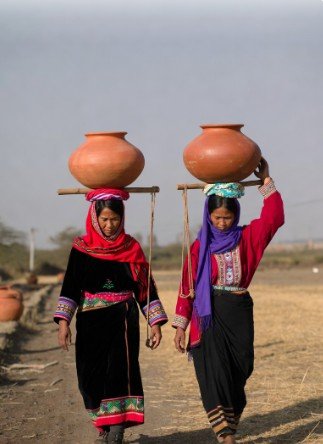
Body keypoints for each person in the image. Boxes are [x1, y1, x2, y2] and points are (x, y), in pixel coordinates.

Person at [173, 158, 284, 443]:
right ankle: (224, 433)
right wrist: (181, 325)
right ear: (208, 215)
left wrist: (266, 183)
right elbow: (187, 285)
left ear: (235, 213)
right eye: (217, 217)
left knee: (241, 367)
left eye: (227, 217)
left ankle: (230, 422)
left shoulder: (247, 237)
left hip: (238, 309)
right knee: (215, 370)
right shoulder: (200, 246)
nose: (222, 222)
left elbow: (273, 219)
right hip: (209, 314)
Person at [54, 188, 168, 443]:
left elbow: (144, 287)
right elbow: (70, 286)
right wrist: (64, 322)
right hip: (90, 321)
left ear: (122, 218)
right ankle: (103, 427)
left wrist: (155, 323)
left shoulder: (132, 248)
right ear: (95, 218)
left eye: (114, 219)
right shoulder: (81, 248)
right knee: (89, 376)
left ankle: (116, 429)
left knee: (120, 373)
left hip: (122, 320)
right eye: (104, 219)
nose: (109, 225)